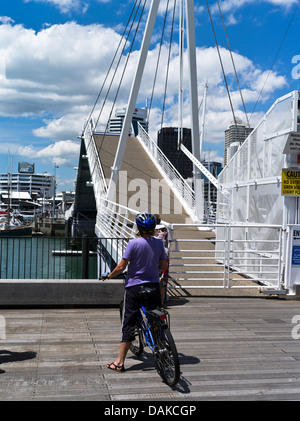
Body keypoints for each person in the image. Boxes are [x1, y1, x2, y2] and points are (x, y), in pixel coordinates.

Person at [103, 212, 168, 373]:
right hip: (153, 286)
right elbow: (163, 266)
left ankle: (119, 362)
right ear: (153, 228)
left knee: (128, 324)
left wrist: (109, 275)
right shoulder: (159, 244)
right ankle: (162, 346)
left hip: (134, 288)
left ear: (138, 228)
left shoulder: (133, 243)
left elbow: (121, 267)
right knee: (155, 317)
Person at [153, 214, 170, 306]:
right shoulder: (164, 229)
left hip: (153, 257)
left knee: (152, 279)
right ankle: (161, 302)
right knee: (163, 280)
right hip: (165, 257)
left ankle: (153, 302)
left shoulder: (151, 231)